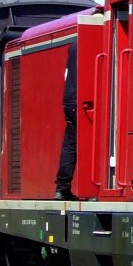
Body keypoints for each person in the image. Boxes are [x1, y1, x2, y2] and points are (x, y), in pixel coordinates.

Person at [54, 41, 77, 201]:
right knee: (93, 143)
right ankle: (94, 189)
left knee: (70, 144)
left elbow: (67, 73)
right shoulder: (96, 36)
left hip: (69, 99)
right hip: (84, 97)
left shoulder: (75, 43)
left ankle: (61, 189)